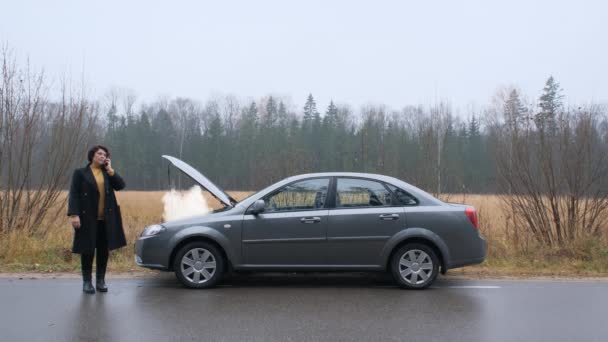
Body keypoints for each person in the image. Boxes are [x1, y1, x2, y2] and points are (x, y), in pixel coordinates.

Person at [67, 145, 126, 294]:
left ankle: (100, 281)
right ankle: (87, 282)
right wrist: (74, 214)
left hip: (106, 219)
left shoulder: (107, 173)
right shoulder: (80, 173)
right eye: (99, 153)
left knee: (103, 251)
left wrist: (111, 170)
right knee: (87, 250)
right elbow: (74, 194)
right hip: (87, 218)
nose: (102, 156)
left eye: (105, 154)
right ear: (92, 155)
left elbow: (121, 186)